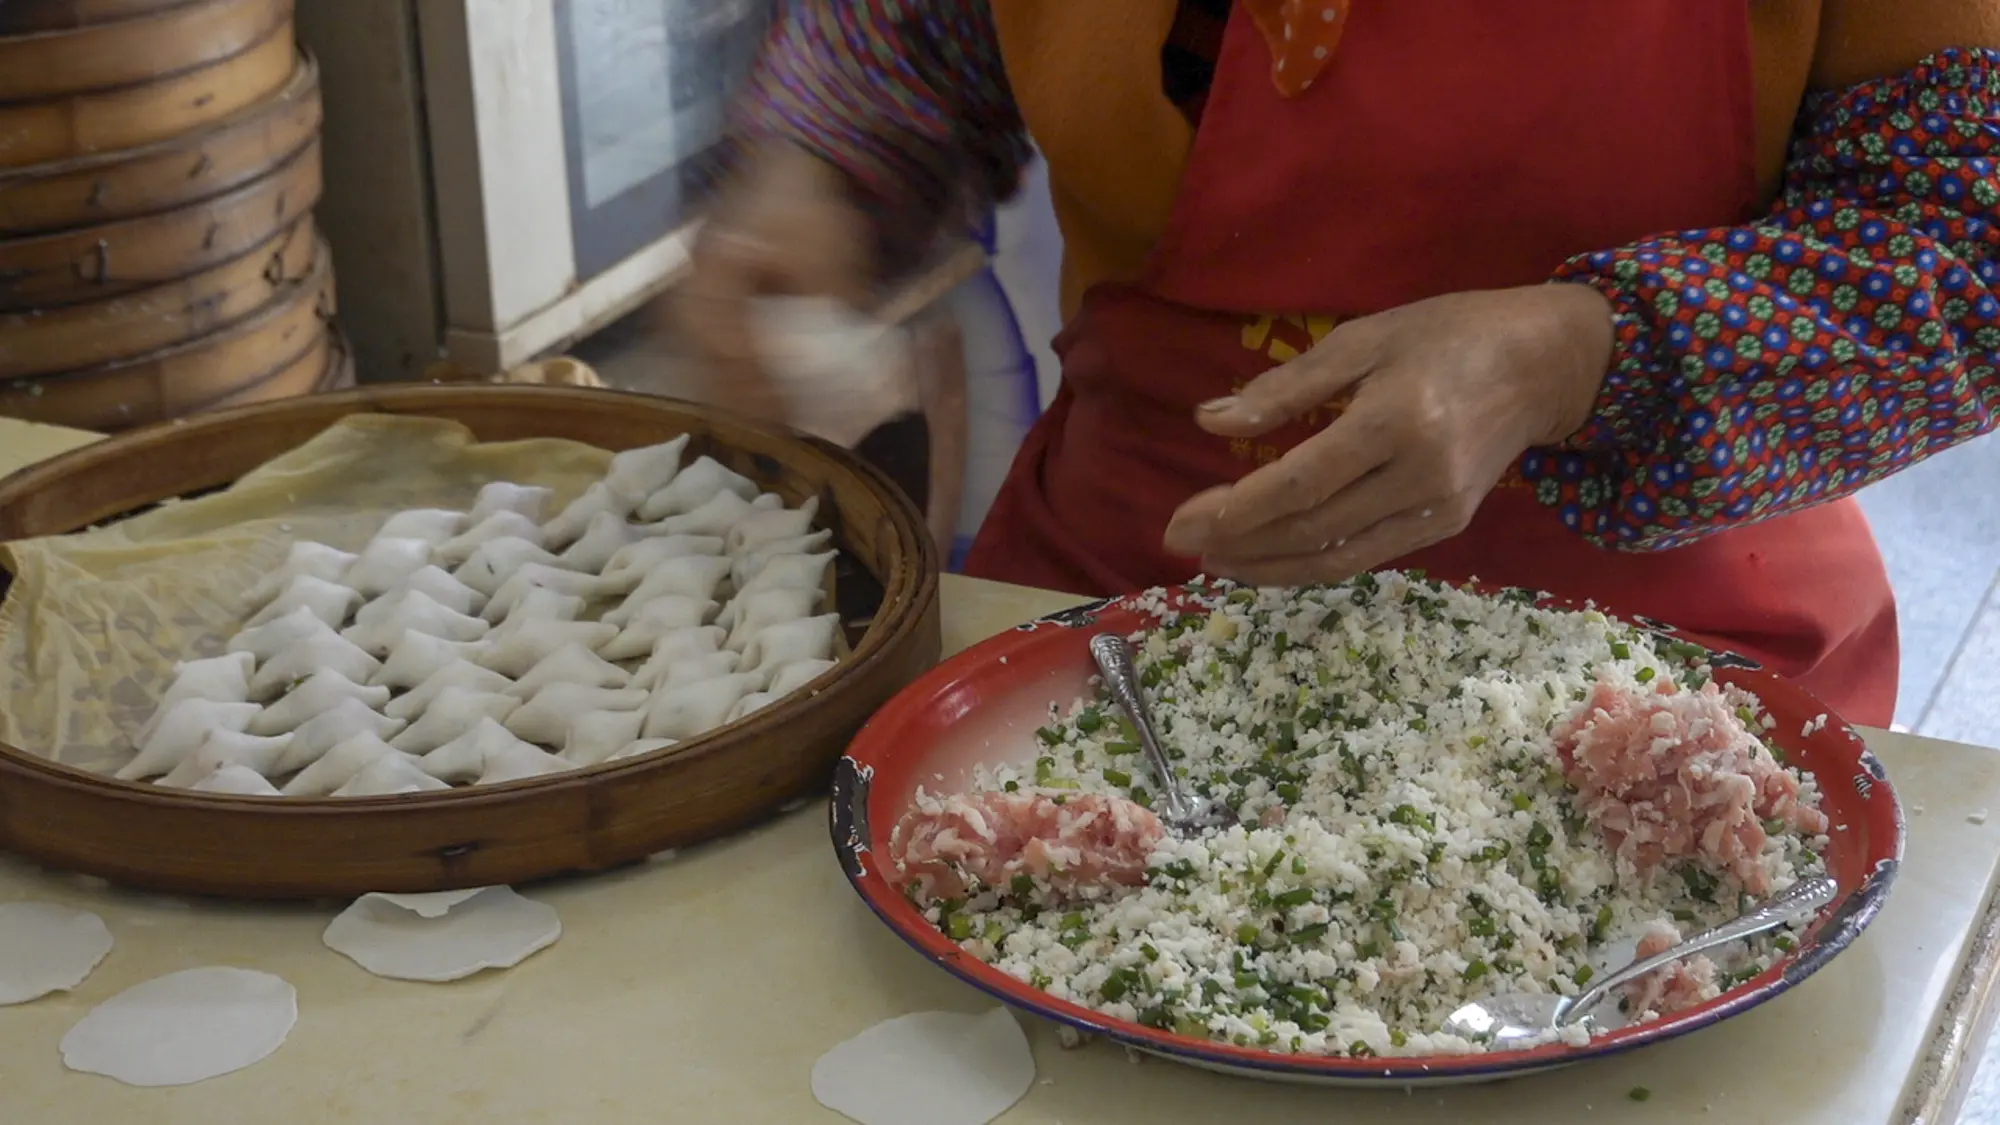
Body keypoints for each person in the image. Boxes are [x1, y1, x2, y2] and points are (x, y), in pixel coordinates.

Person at [674, 0, 2000, 729]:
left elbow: (1968, 239)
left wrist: (1576, 353)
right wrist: (820, 173)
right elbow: (922, 31)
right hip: (1119, 621)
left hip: (1656, 676)